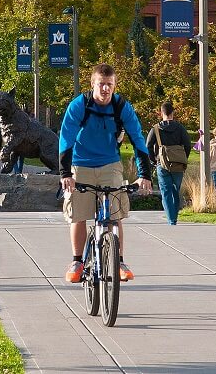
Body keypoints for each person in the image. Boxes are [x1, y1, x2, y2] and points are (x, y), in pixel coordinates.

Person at [60, 63, 153, 284]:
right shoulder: (79, 105)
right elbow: (66, 139)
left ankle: (119, 261)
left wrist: (145, 174)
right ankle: (77, 261)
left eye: (109, 85)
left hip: (109, 163)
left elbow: (138, 138)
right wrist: (66, 173)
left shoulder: (122, 107)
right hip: (80, 163)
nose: (105, 89)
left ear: (114, 85)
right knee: (79, 214)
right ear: (93, 84)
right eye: (101, 84)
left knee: (114, 214)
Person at [145, 100, 192, 225]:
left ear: (161, 113)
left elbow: (148, 146)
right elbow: (187, 144)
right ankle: (174, 216)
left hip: (162, 163)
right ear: (173, 113)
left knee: (166, 191)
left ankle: (171, 220)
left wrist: (153, 160)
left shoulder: (155, 129)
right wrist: (183, 158)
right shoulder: (180, 128)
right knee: (176, 190)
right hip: (178, 164)